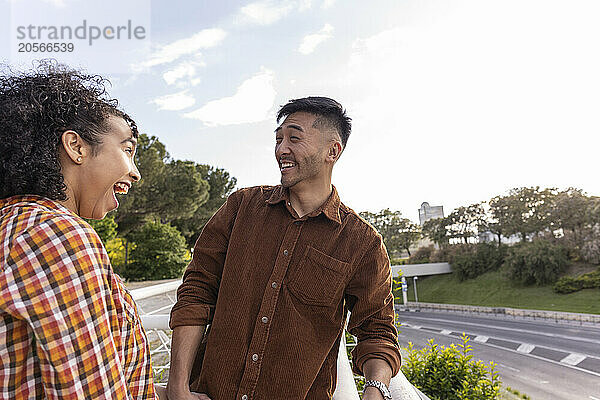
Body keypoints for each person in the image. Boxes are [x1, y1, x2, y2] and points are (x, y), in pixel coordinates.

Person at [167, 97, 401, 400]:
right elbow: (196, 291)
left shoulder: (362, 243)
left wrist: (375, 390)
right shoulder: (241, 208)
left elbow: (377, 330)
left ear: (333, 151)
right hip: (209, 393)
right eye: (278, 139)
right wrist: (177, 386)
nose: (281, 149)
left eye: (294, 138)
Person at [0, 63, 161, 399]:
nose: (136, 174)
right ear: (76, 147)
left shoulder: (13, 223)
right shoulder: (54, 235)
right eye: (127, 150)